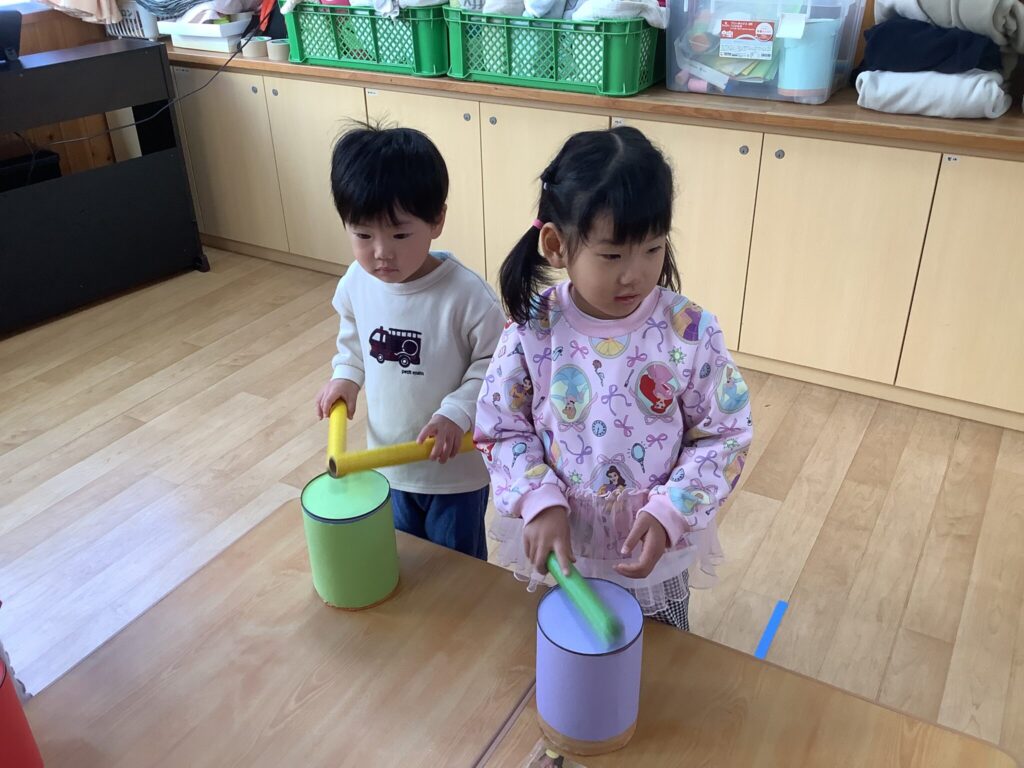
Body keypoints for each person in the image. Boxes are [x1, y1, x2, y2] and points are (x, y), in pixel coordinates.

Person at [474, 126, 753, 629]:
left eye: (652, 249)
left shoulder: (689, 330)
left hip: (653, 542)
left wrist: (672, 511)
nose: (635, 274)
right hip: (562, 542)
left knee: (663, 656)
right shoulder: (534, 328)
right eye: (612, 255)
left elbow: (725, 434)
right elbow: (501, 428)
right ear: (556, 245)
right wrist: (538, 498)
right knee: (570, 646)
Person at [316, 125, 505, 559]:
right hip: (388, 461)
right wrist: (346, 375)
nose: (381, 252)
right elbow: (354, 341)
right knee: (405, 558)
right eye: (363, 235)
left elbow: (495, 367)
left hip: (453, 471)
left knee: (456, 568)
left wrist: (456, 413)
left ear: (437, 220)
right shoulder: (356, 282)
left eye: (400, 235)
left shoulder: (466, 296)